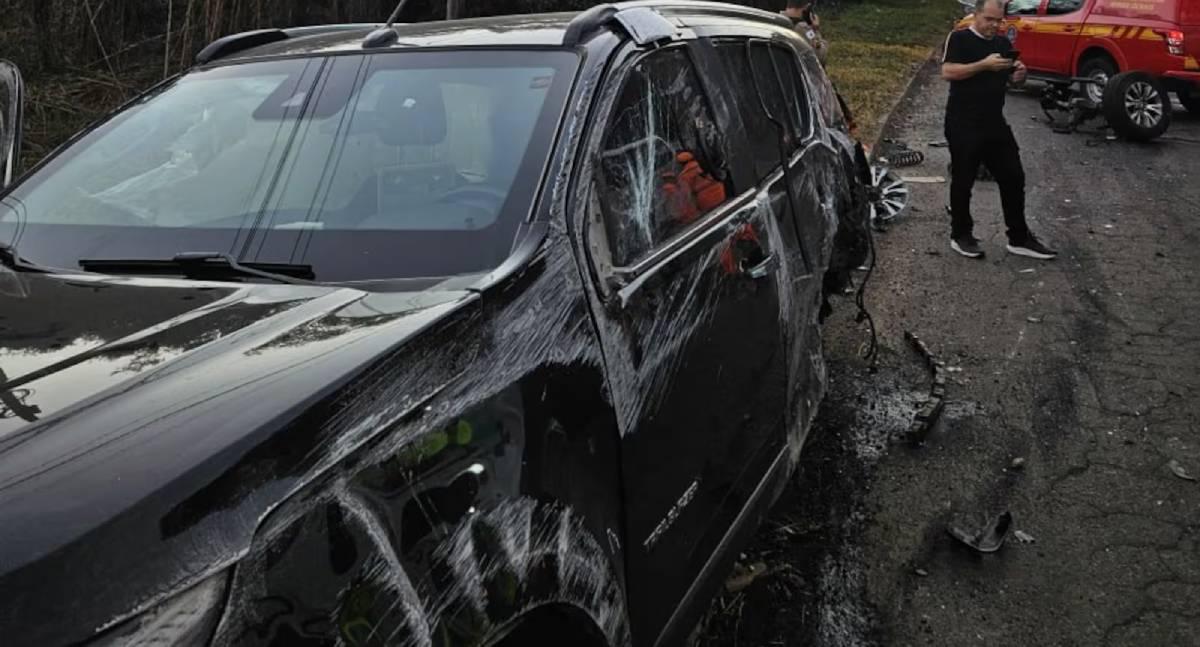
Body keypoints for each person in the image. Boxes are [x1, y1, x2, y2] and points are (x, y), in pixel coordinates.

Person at [942, 0, 1057, 260]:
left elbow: (1012, 81)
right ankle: (961, 234)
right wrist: (982, 65)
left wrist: (1019, 75)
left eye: (998, 20)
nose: (994, 25)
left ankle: (1019, 237)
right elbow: (948, 72)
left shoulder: (1003, 44)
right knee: (963, 179)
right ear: (976, 15)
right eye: (989, 19)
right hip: (963, 121)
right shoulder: (959, 39)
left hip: (994, 122)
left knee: (1014, 176)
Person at [781, 0, 828, 66]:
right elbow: (820, 56)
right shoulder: (802, 28)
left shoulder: (776, 21)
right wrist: (816, 31)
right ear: (807, 7)